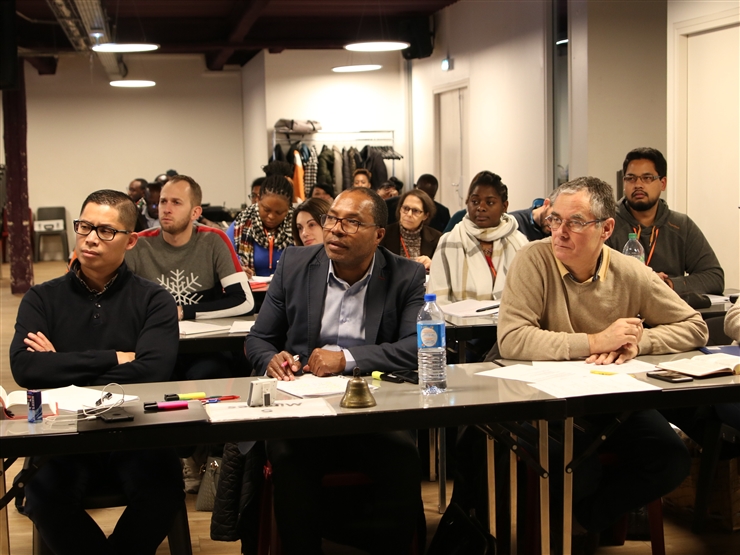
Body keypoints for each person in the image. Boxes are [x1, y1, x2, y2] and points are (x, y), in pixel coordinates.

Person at [497, 176, 708, 534]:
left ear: (606, 229)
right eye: (555, 219)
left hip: (612, 398)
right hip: (547, 399)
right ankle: (561, 528)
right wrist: (595, 341)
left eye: (576, 222)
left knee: (670, 459)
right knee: (577, 466)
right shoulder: (533, 259)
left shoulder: (629, 271)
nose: (560, 232)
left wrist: (639, 342)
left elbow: (694, 326)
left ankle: (584, 523)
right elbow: (513, 339)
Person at [245, 187, 425, 555]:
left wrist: (345, 358)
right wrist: (272, 359)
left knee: (403, 456)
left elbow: (416, 347)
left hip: (373, 409)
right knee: (289, 458)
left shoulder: (405, 275)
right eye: (331, 219)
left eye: (352, 222)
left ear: (378, 234)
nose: (335, 230)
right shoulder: (295, 264)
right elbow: (259, 338)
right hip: (303, 409)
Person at [10, 190, 183, 555]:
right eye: (84, 226)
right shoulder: (41, 298)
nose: (90, 238)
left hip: (135, 431)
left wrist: (61, 367)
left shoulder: (154, 300)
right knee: (41, 494)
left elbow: (153, 369)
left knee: (163, 490)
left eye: (106, 231)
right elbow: (25, 367)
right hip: (64, 432)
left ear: (130, 241)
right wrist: (114, 358)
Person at [126, 174, 252, 323]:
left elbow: (245, 301)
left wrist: (182, 311)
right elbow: (117, 302)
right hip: (152, 332)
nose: (166, 209)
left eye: (176, 202)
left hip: (208, 334)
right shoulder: (137, 244)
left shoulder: (214, 240)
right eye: (163, 201)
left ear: (195, 213)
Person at [605, 147, 724, 295]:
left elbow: (714, 277)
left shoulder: (681, 225)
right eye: (631, 178)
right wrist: (644, 281)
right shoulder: (605, 224)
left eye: (647, 178)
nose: (638, 185)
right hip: (623, 306)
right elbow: (594, 280)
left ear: (663, 183)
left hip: (669, 305)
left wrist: (668, 284)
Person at [428, 171, 527, 305]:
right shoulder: (449, 242)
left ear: (504, 206)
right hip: (459, 319)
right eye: (475, 201)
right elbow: (437, 299)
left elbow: (530, 295)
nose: (481, 208)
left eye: (490, 203)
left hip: (510, 318)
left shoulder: (519, 243)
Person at [228, 175, 294, 277]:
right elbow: (224, 262)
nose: (271, 216)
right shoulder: (241, 224)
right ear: (258, 200)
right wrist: (236, 269)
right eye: (266, 210)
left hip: (289, 286)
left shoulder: (297, 226)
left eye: (279, 212)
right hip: (250, 286)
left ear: (289, 208)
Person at [380, 188, 441, 271]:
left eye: (415, 211)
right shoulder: (383, 234)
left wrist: (433, 265)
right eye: (405, 208)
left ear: (425, 216)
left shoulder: (437, 238)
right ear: (400, 209)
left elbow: (444, 270)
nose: (409, 214)